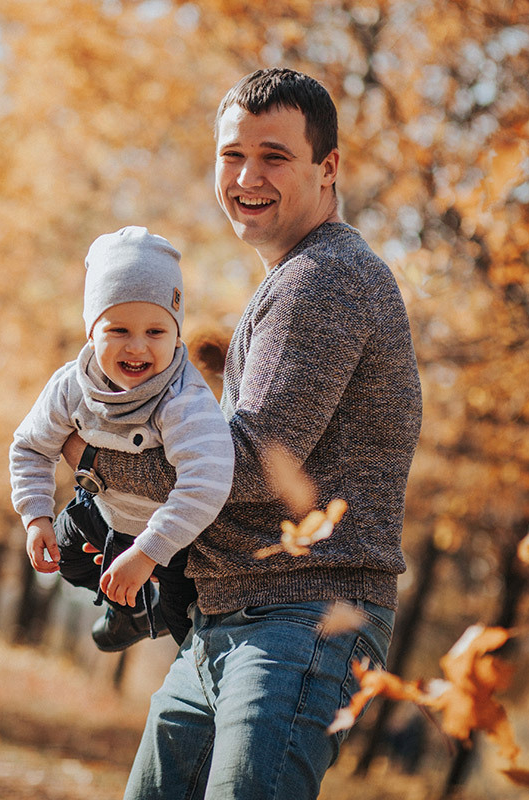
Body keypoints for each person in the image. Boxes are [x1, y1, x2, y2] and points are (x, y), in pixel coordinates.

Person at [64, 68, 422, 798]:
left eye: (274, 156)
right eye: (232, 155)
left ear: (328, 170)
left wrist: (96, 460)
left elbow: (256, 464)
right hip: (231, 618)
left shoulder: (323, 281)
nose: (247, 175)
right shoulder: (292, 279)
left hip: (301, 620)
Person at [10, 225, 233, 650]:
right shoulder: (71, 387)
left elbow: (207, 481)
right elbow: (31, 446)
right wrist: (36, 515)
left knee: (182, 617)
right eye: (118, 331)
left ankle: (155, 607)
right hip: (105, 513)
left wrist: (148, 552)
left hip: (170, 532)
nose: (137, 348)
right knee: (69, 556)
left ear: (176, 334)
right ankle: (128, 607)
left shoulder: (182, 399)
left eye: (155, 332)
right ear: (91, 331)